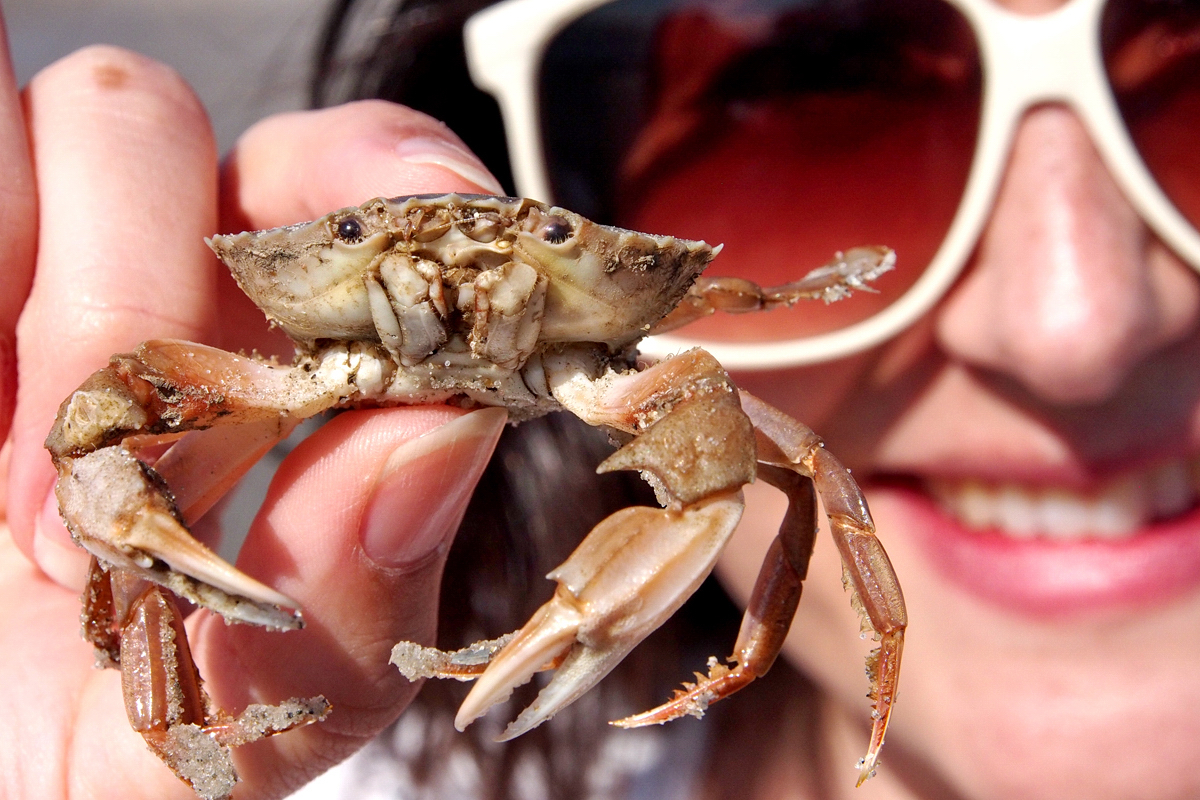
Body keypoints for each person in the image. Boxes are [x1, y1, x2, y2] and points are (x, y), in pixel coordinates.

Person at [2, 0, 1199, 798]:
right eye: (834, 127)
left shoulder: (671, 388)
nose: (1073, 331)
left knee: (779, 460)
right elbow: (109, 420)